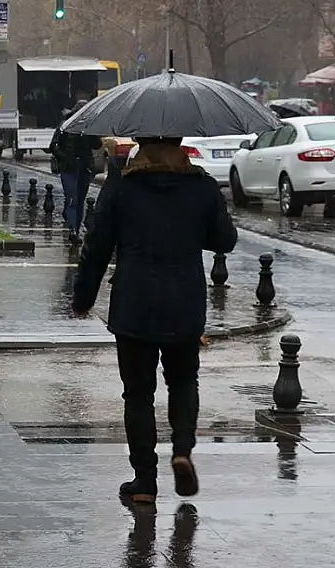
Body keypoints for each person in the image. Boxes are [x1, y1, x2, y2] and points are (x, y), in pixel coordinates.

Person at [72, 136, 238, 506]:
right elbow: (225, 240)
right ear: (179, 143)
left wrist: (83, 298)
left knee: (138, 394)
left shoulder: (122, 188)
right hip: (185, 303)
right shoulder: (203, 186)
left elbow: (97, 244)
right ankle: (182, 451)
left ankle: (144, 480)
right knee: (182, 381)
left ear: (141, 144)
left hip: (135, 304)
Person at [50, 101, 102, 243]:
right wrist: (66, 158)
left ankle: (76, 230)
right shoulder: (65, 125)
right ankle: (73, 229)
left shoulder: (88, 126)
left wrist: (93, 131)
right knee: (73, 199)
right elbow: (53, 146)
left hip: (84, 168)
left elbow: (97, 145)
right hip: (69, 168)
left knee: (79, 201)